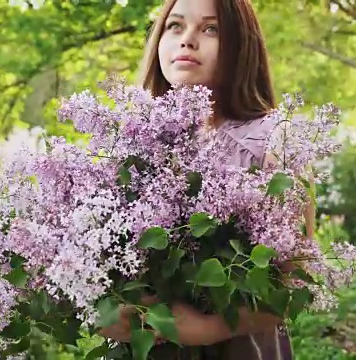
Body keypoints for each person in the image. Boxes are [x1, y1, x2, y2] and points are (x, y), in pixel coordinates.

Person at [99, 0, 316, 358]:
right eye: (175, 26)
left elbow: (293, 286)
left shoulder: (277, 144)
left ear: (241, 46)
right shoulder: (129, 145)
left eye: (210, 29)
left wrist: (210, 329)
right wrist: (104, 313)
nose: (187, 40)